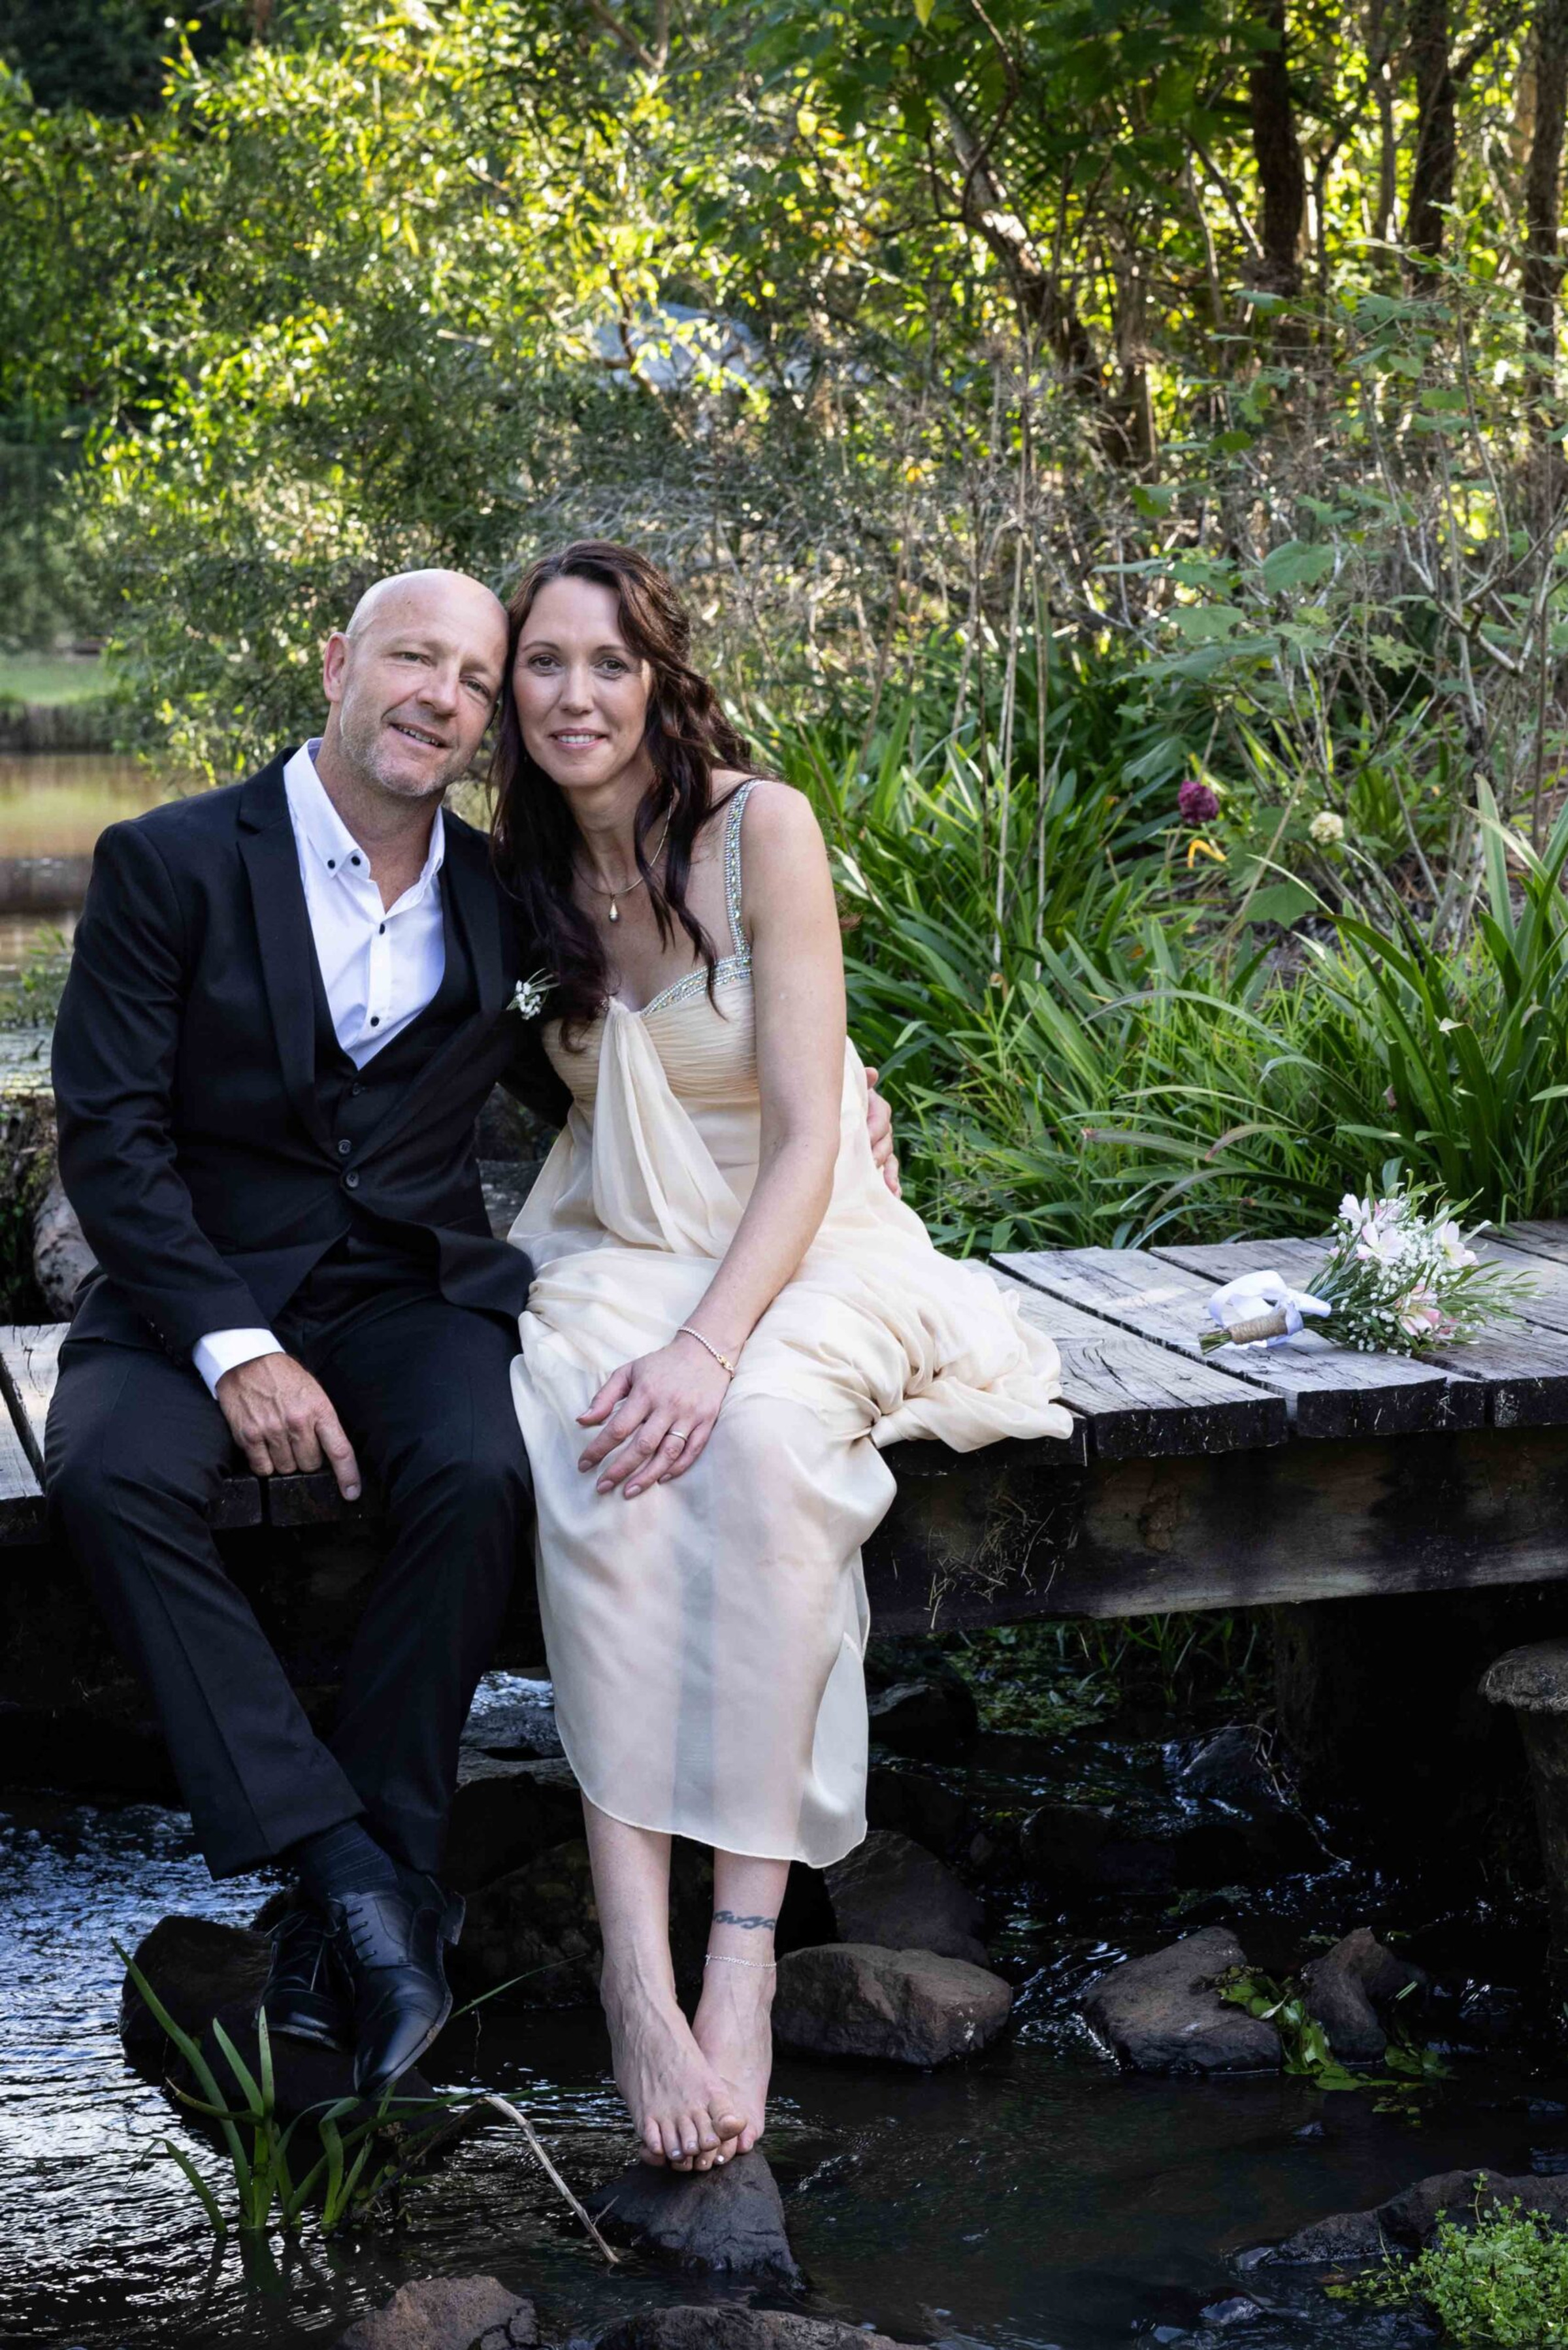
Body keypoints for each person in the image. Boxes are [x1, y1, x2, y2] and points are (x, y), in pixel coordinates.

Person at [41, 560, 903, 2097]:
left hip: (404, 1294)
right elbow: (108, 1139)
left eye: (468, 673)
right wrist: (235, 1345)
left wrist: (836, 1103)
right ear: (337, 664)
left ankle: (368, 1892)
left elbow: (589, 1065)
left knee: (482, 1468)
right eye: (412, 659)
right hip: (195, 1298)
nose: (439, 695)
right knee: (107, 1472)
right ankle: (357, 1874)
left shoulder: (504, 891)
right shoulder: (168, 861)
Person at [495, 542, 1071, 2176]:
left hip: (799, 1235)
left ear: (660, 676)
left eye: (610, 662)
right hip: (618, 1237)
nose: (576, 694)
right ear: (510, 692)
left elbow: (815, 1131)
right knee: (589, 1445)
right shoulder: (517, 873)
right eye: (543, 663)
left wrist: (707, 1345)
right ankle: (631, 1970)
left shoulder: (763, 831)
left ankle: (740, 1946)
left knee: (749, 1445)